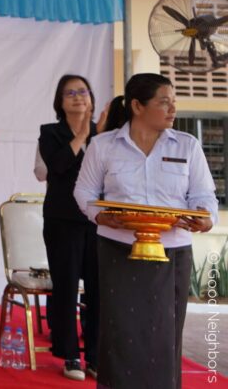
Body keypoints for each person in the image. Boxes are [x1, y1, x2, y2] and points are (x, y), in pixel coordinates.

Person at [74, 73, 217, 389]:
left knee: (165, 333)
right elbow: (84, 191)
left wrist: (206, 219)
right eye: (163, 102)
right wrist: (101, 217)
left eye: (173, 102)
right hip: (117, 249)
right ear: (137, 105)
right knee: (120, 330)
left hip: (172, 251)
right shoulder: (103, 146)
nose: (172, 109)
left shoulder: (187, 145)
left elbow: (204, 197)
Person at [38, 75, 100, 381]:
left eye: (82, 92)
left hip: (98, 223)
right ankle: (70, 354)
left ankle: (96, 355)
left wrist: (93, 133)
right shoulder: (50, 133)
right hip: (62, 221)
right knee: (65, 289)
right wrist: (81, 136)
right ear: (60, 102)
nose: (77, 97)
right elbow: (58, 167)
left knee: (99, 290)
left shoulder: (105, 135)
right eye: (70, 93)